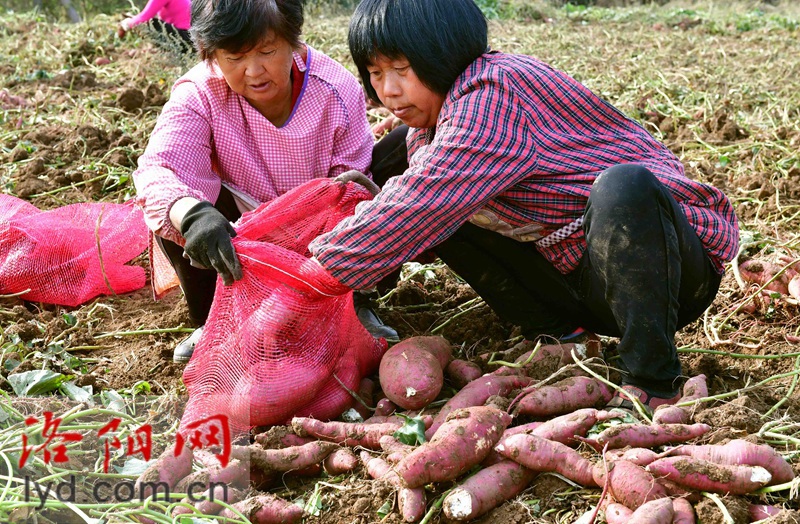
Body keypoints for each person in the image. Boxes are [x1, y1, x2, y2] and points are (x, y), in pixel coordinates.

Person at [308, 0, 739, 413]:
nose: (388, 89)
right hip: (578, 270)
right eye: (375, 73)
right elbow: (418, 202)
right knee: (431, 196)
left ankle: (653, 378)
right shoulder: (431, 128)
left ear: (443, 53)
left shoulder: (494, 89)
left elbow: (419, 202)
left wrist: (310, 273)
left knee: (623, 187)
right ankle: (560, 336)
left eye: (401, 69)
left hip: (666, 270)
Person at [133, 0, 400, 363]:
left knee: (381, 174)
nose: (254, 70)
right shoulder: (199, 93)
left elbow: (350, 188)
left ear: (293, 41)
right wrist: (194, 215)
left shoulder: (334, 88)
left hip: (321, 232)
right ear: (210, 54)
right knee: (174, 205)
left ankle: (352, 308)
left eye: (267, 51)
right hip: (239, 238)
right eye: (234, 57)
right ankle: (215, 321)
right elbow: (160, 169)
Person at [117, 0, 193, 56]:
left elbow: (144, 18)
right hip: (192, 37)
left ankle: (169, 52)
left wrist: (124, 24)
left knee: (151, 23)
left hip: (185, 40)